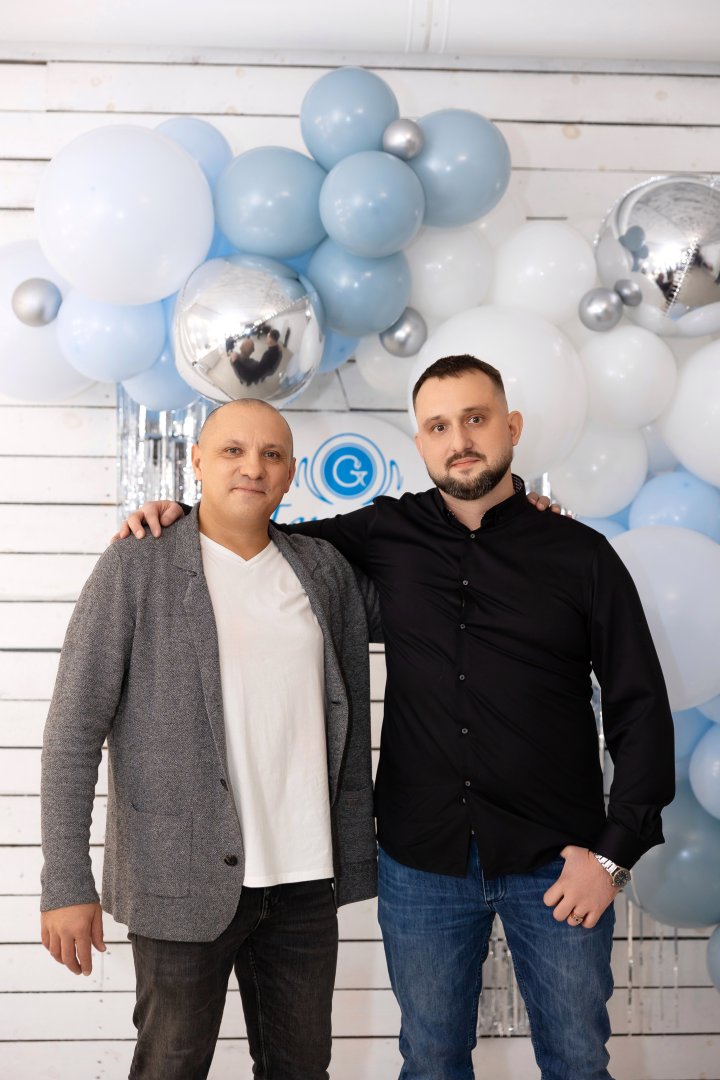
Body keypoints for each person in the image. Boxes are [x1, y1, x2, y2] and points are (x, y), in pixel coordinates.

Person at [116, 355, 675, 1080]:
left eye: (475, 420)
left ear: (511, 427)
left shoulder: (581, 554)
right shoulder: (383, 531)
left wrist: (610, 857)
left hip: (557, 860)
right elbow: (258, 535)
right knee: (430, 1061)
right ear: (420, 442)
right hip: (421, 863)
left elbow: (640, 708)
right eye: (438, 426)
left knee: (576, 1061)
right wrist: (176, 514)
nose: (459, 440)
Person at [40, 399, 380, 1080]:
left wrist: (517, 509)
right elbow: (73, 731)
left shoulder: (323, 572)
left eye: (271, 455)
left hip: (303, 881)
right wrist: (65, 881)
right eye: (232, 451)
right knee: (170, 1067)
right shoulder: (136, 565)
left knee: (302, 1070)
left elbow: (438, 590)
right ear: (197, 461)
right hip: (177, 878)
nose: (252, 467)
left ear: (290, 474)